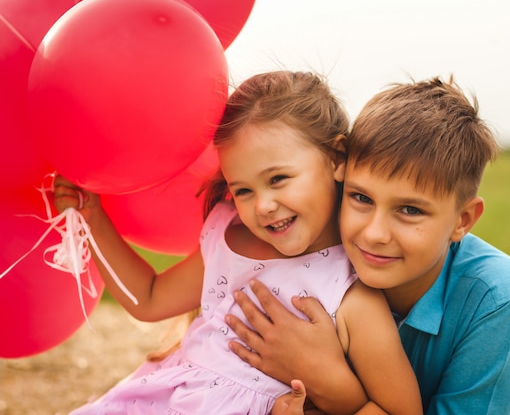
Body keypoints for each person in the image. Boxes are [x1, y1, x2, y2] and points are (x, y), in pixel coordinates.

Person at [225, 76, 510, 414]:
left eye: (409, 210)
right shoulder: (310, 244)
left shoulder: (502, 298)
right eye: (361, 198)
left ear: (462, 221)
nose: (374, 233)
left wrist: (328, 381)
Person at [53, 71, 421, 415]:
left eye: (278, 179)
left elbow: (401, 410)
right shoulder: (227, 234)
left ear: (336, 158)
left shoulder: (349, 293)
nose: (263, 206)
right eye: (243, 190)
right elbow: (148, 298)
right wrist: (93, 220)